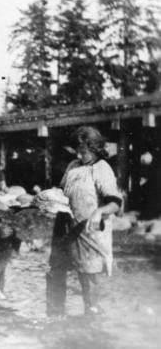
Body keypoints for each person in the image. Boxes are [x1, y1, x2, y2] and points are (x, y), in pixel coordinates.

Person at [46, 126, 122, 316]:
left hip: (88, 232)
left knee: (89, 280)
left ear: (95, 148)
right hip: (64, 228)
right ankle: (54, 319)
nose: (80, 154)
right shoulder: (73, 165)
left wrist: (99, 212)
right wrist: (47, 200)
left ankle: (92, 327)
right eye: (77, 149)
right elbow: (62, 191)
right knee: (56, 272)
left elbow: (114, 203)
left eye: (84, 150)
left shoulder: (102, 169)